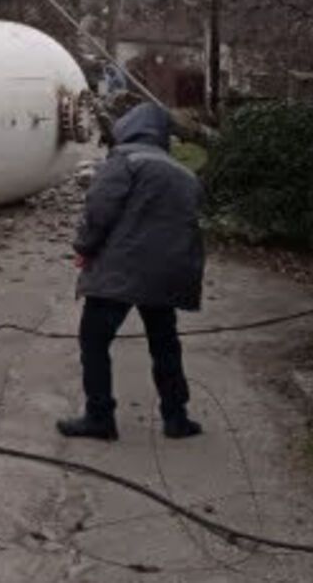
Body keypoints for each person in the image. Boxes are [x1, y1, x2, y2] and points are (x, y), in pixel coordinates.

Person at [58, 101, 206, 442]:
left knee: (94, 340)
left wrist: (84, 247)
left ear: (129, 128)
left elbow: (100, 208)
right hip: (168, 272)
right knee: (165, 343)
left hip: (122, 270)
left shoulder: (125, 160)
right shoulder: (184, 174)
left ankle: (99, 417)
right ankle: (176, 418)